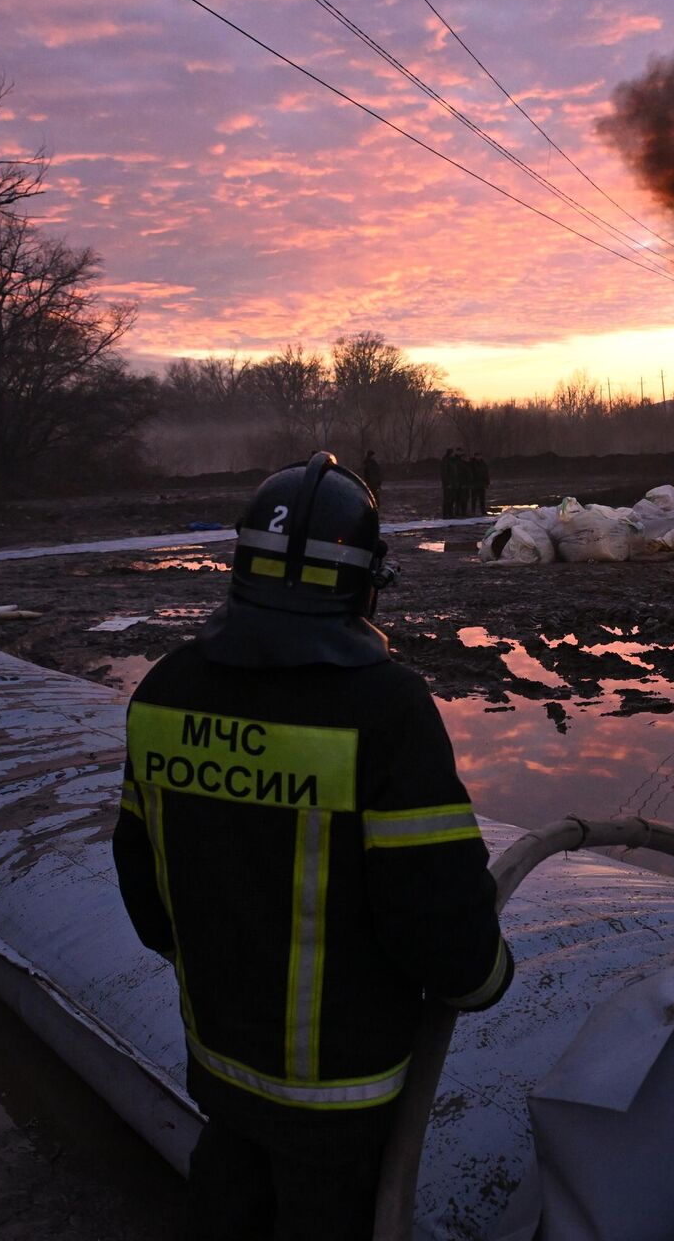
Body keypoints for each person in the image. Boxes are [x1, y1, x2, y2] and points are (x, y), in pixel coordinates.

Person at [112, 452, 512, 1241]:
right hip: (343, 1097)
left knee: (227, 1201)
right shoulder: (386, 709)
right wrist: (485, 979)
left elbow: (144, 886)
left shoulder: (165, 691)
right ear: (368, 583)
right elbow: (434, 909)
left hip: (219, 1063)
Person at [452, 447, 471, 518]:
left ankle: (463, 512)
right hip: (460, 483)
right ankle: (458, 512)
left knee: (464, 499)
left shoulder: (465, 463)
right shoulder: (456, 461)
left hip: (465, 484)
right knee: (458, 499)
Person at [469, 453, 489, 517]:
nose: (479, 457)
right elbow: (470, 473)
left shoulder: (483, 463)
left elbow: (486, 473)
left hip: (482, 483)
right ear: (475, 456)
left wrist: (487, 482)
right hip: (475, 484)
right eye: (477, 456)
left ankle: (483, 511)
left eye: (480, 456)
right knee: (474, 498)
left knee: (482, 499)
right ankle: (473, 511)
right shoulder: (472, 463)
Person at [439, 447, 456, 518]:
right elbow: (445, 473)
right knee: (447, 500)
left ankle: (450, 513)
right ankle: (446, 514)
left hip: (451, 483)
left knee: (451, 499)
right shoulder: (446, 461)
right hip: (447, 484)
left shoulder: (451, 461)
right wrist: (447, 483)